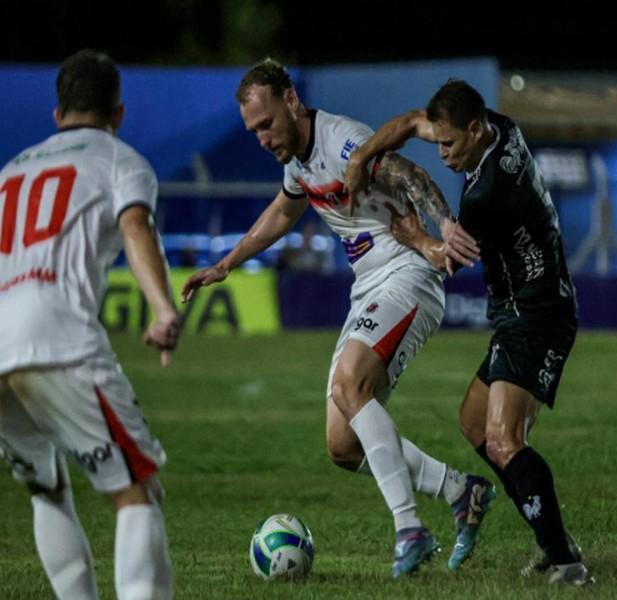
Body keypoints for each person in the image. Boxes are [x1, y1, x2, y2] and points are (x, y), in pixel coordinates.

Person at [180, 58, 495, 578]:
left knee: (351, 385)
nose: (262, 138)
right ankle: (460, 491)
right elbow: (284, 211)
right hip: (368, 286)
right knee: (342, 444)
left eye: (267, 124)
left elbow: (408, 173)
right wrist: (226, 263)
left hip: (406, 271)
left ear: (291, 103)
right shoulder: (298, 164)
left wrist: (443, 224)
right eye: (253, 131)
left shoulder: (341, 141)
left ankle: (409, 528)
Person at [345, 79, 594, 586]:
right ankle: (554, 539)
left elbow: (450, 259)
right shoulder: (500, 128)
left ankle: (567, 562)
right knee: (476, 424)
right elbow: (411, 122)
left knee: (503, 440)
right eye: (437, 142)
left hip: (537, 310)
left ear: (475, 130)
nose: (442, 153)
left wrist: (415, 235)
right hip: (518, 310)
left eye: (450, 144)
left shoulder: (486, 195)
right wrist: (363, 155)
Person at [0, 50, 180, 600]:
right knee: (135, 490)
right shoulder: (120, 160)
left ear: (58, 114)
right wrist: (163, 307)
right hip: (57, 337)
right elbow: (136, 228)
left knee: (47, 488)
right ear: (117, 114)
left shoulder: (9, 172)